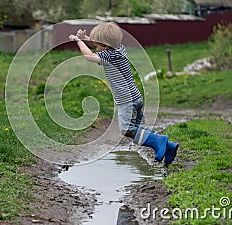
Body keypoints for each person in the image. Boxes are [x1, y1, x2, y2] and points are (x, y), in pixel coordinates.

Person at [69, 22, 178, 166]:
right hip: (136, 97)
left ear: (105, 46)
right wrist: (86, 38)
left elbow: (89, 56)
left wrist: (78, 41)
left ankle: (159, 141)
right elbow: (100, 45)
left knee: (127, 129)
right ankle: (169, 146)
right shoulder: (119, 49)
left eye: (97, 45)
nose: (95, 47)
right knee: (139, 130)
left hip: (126, 101)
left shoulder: (108, 55)